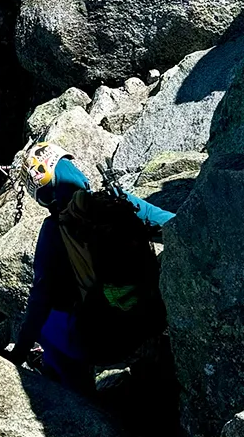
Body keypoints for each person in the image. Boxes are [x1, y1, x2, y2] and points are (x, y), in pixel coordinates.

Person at [12, 149, 173, 394]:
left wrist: (18, 353)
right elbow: (172, 224)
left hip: (104, 340)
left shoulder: (55, 231)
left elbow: (40, 300)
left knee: (44, 327)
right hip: (151, 317)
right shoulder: (118, 202)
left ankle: (80, 399)